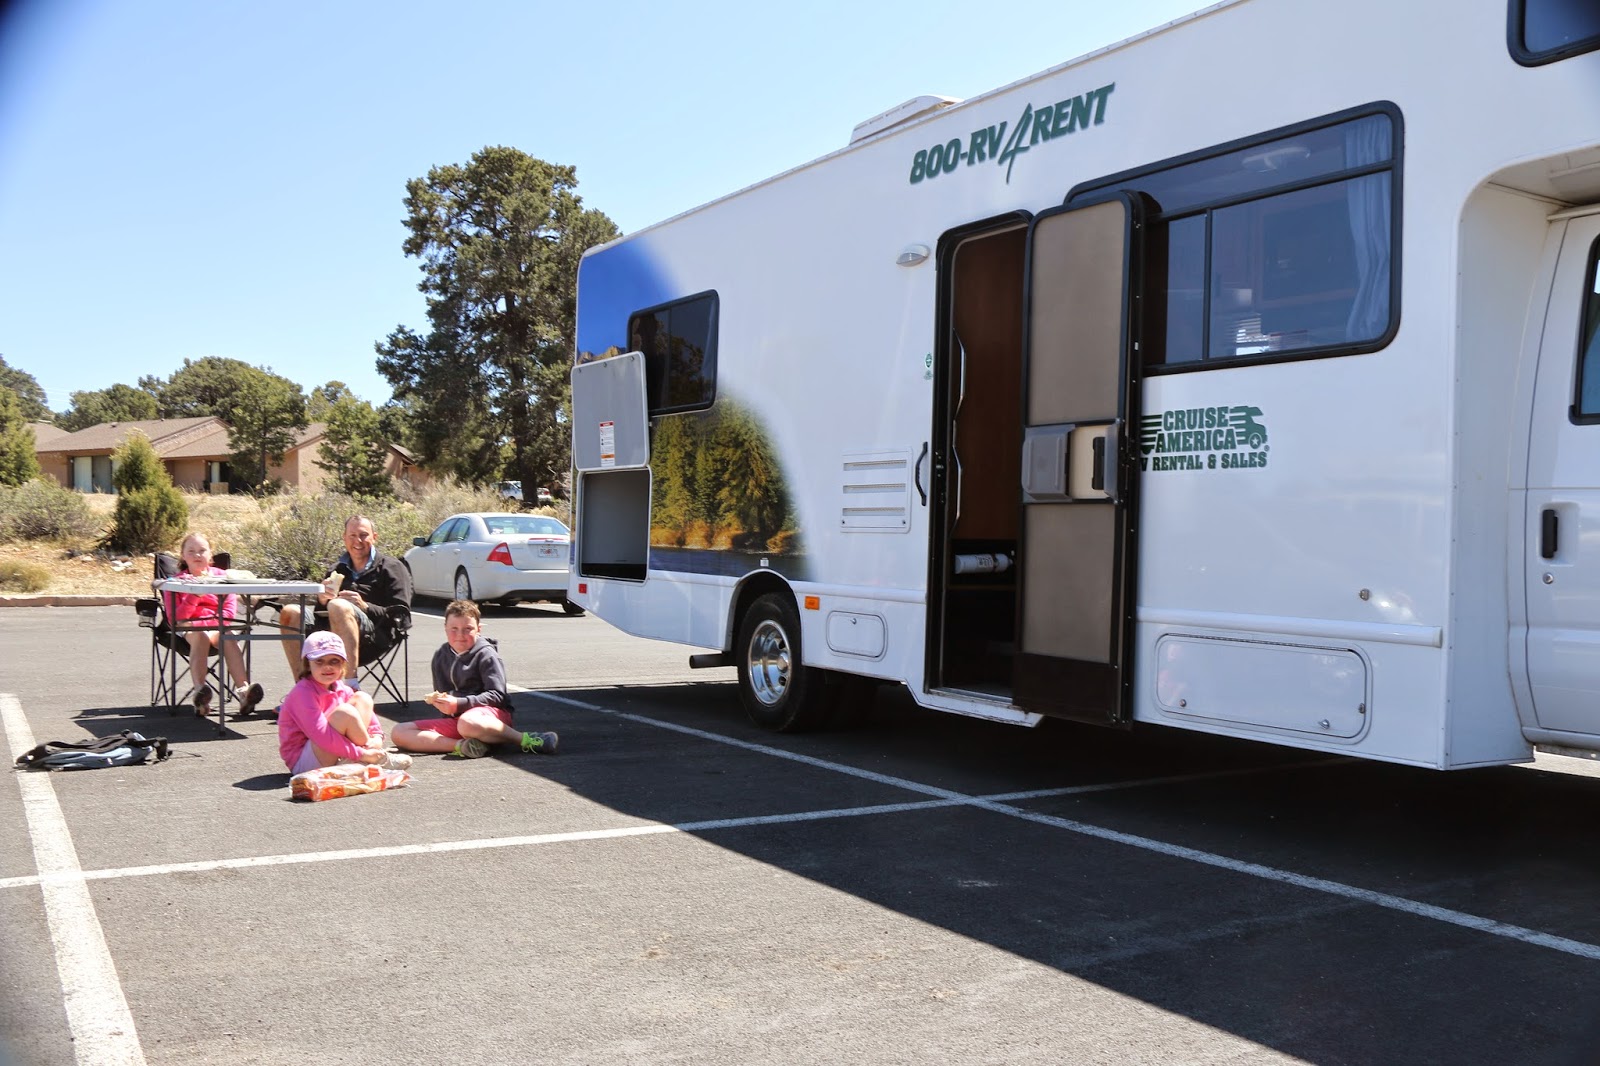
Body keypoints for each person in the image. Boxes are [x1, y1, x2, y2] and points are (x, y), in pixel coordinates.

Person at [392, 599, 558, 759]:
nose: (460, 635)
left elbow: (498, 696)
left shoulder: (486, 655)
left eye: (468, 629)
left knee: (468, 723)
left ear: (479, 629)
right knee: (399, 732)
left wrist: (460, 703)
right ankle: (464, 746)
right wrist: (443, 704)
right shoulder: (440, 656)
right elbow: (443, 694)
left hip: (489, 717)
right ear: (445, 628)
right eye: (454, 629)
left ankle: (526, 739)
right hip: (459, 721)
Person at [277, 514, 412, 684]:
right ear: (344, 538)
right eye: (352, 536)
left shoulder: (392, 567)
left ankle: (349, 686)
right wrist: (322, 600)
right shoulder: (337, 569)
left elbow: (402, 615)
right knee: (290, 612)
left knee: (339, 606)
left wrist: (365, 606)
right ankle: (303, 688)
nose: (358, 541)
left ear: (374, 537)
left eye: (363, 535)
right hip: (327, 637)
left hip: (372, 638)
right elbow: (320, 615)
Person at [160, 532, 264, 717]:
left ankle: (244, 692)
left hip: (217, 626)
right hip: (188, 629)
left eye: (202, 550)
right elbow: (176, 618)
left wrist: (209, 623)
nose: (197, 555)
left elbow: (229, 613)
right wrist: (194, 596)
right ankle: (200, 694)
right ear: (183, 555)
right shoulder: (175, 582)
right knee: (200, 635)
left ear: (210, 554)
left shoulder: (223, 578)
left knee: (227, 636)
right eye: (191, 551)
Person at [277, 631, 411, 774]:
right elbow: (322, 736)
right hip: (305, 761)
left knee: (362, 698)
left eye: (334, 661)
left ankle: (361, 760)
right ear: (308, 665)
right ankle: (369, 760)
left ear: (343, 664)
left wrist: (377, 738)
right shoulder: (302, 693)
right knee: (344, 713)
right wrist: (362, 753)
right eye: (319, 661)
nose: (327, 667)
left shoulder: (341, 688)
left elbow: (370, 723)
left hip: (335, 751)